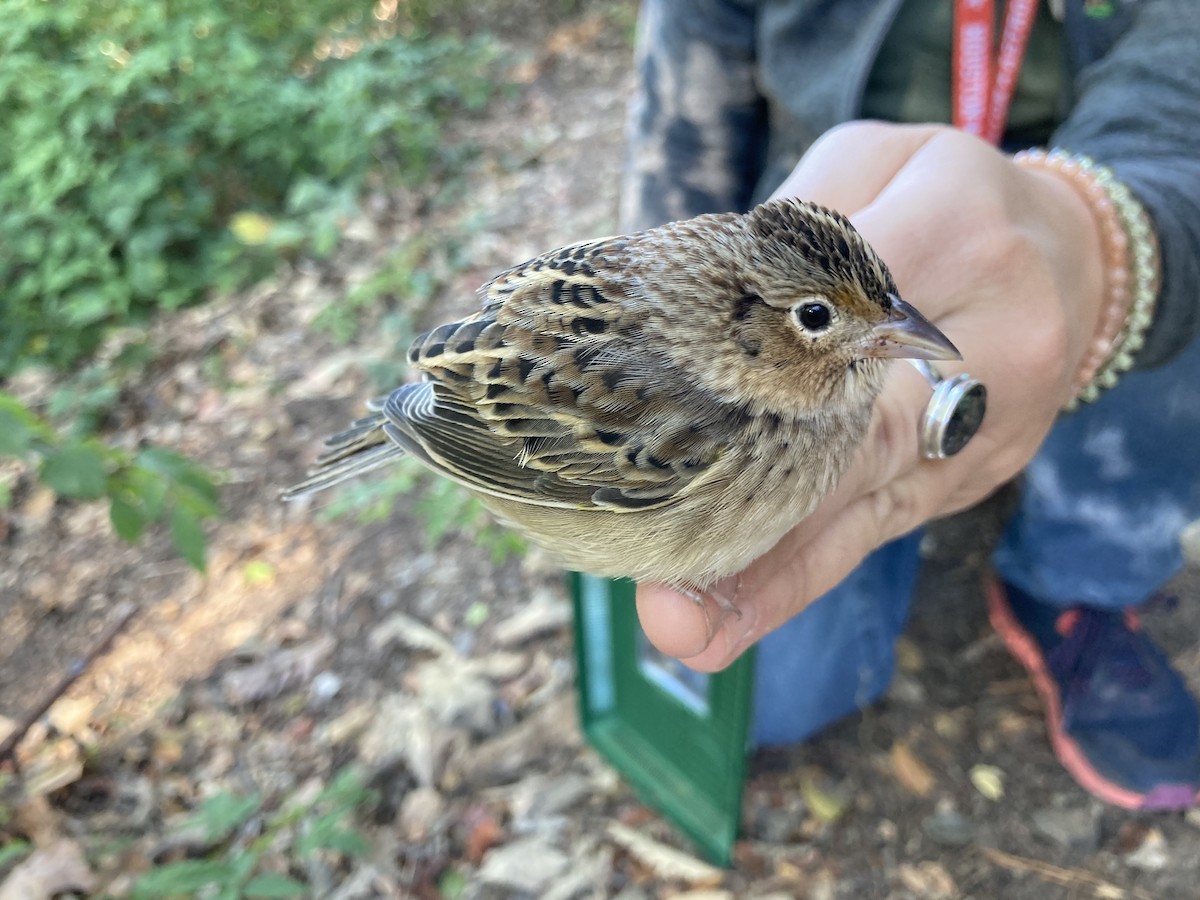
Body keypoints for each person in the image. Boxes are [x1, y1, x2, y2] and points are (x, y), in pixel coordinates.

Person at [625, 0, 1200, 810]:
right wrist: (648, 369)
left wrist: (1104, 238)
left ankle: (1081, 582)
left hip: (1121, 181)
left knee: (1177, 351)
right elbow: (689, 97)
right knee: (766, 689)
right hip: (813, 251)